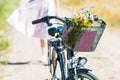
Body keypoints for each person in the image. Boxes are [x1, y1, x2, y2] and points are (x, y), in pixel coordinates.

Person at [7, 0, 60, 64]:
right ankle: (44, 55)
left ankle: (56, 53)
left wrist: (57, 9)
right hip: (41, 6)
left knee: (52, 28)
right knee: (42, 29)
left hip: (50, 6)